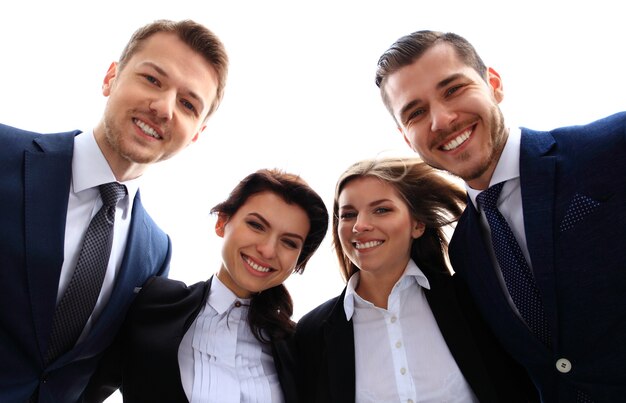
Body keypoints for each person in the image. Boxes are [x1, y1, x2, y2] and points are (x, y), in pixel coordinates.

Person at [375, 30, 626, 402]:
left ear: (494, 84)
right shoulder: (463, 251)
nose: (441, 120)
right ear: (405, 135)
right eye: (416, 112)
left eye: (452, 90)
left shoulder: (612, 147)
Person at [0, 19, 229, 402]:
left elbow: (99, 374)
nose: (164, 107)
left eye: (188, 104)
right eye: (153, 80)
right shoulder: (4, 152)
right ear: (111, 78)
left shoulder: (155, 251)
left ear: (197, 134)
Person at [295, 157, 538, 403]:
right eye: (348, 214)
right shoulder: (312, 333)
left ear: (418, 224)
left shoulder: (473, 301)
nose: (360, 225)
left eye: (381, 209)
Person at [84, 168, 329, 402]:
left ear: (299, 260)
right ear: (222, 222)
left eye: (289, 242)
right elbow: (78, 389)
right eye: (256, 225)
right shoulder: (152, 304)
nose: (267, 250)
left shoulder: (300, 347)